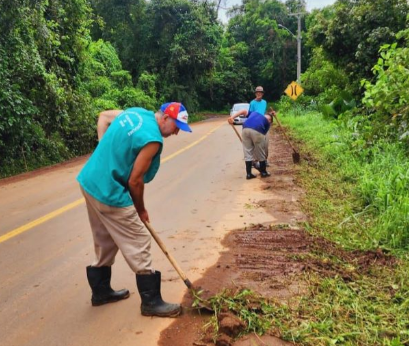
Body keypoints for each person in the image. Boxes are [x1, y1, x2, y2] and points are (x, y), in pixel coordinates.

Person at [77, 102, 191, 318]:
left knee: (105, 238)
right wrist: (141, 209)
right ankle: (151, 302)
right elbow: (135, 181)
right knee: (139, 239)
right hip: (108, 190)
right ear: (165, 118)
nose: (176, 132)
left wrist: (103, 149)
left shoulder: (136, 113)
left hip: (89, 182)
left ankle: (100, 292)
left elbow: (103, 117)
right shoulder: (153, 140)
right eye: (176, 126)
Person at [228, 111, 272, 179]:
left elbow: (243, 111)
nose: (268, 120)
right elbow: (263, 138)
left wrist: (232, 117)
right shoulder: (268, 124)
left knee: (247, 151)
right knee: (260, 151)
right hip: (258, 130)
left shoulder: (254, 113)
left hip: (245, 129)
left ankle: (249, 174)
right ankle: (263, 172)